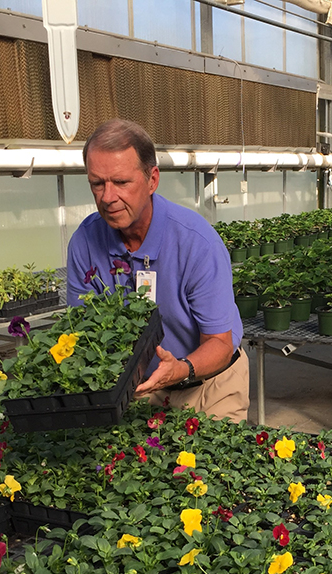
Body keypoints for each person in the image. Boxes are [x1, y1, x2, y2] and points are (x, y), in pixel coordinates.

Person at [66, 119, 249, 422]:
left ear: (152, 180)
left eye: (121, 182)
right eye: (97, 183)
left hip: (209, 386)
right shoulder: (85, 242)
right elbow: (82, 334)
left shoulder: (195, 242)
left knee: (211, 468)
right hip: (137, 389)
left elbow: (219, 343)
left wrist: (181, 369)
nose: (108, 197)